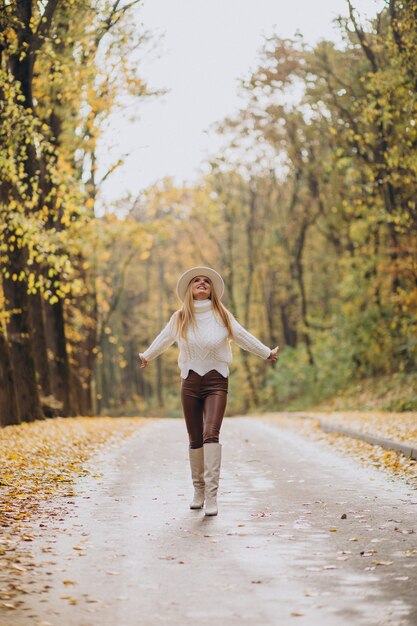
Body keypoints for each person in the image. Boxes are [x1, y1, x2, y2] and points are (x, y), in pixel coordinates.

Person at [139, 266, 278, 516]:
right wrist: (147, 355)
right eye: (196, 281)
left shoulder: (222, 315)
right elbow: (164, 338)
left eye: (206, 281)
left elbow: (243, 337)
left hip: (217, 382)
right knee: (194, 439)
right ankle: (199, 491)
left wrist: (266, 352)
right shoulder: (180, 317)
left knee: (210, 433)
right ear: (189, 289)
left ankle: (212, 496)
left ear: (212, 289)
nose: (202, 283)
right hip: (190, 382)